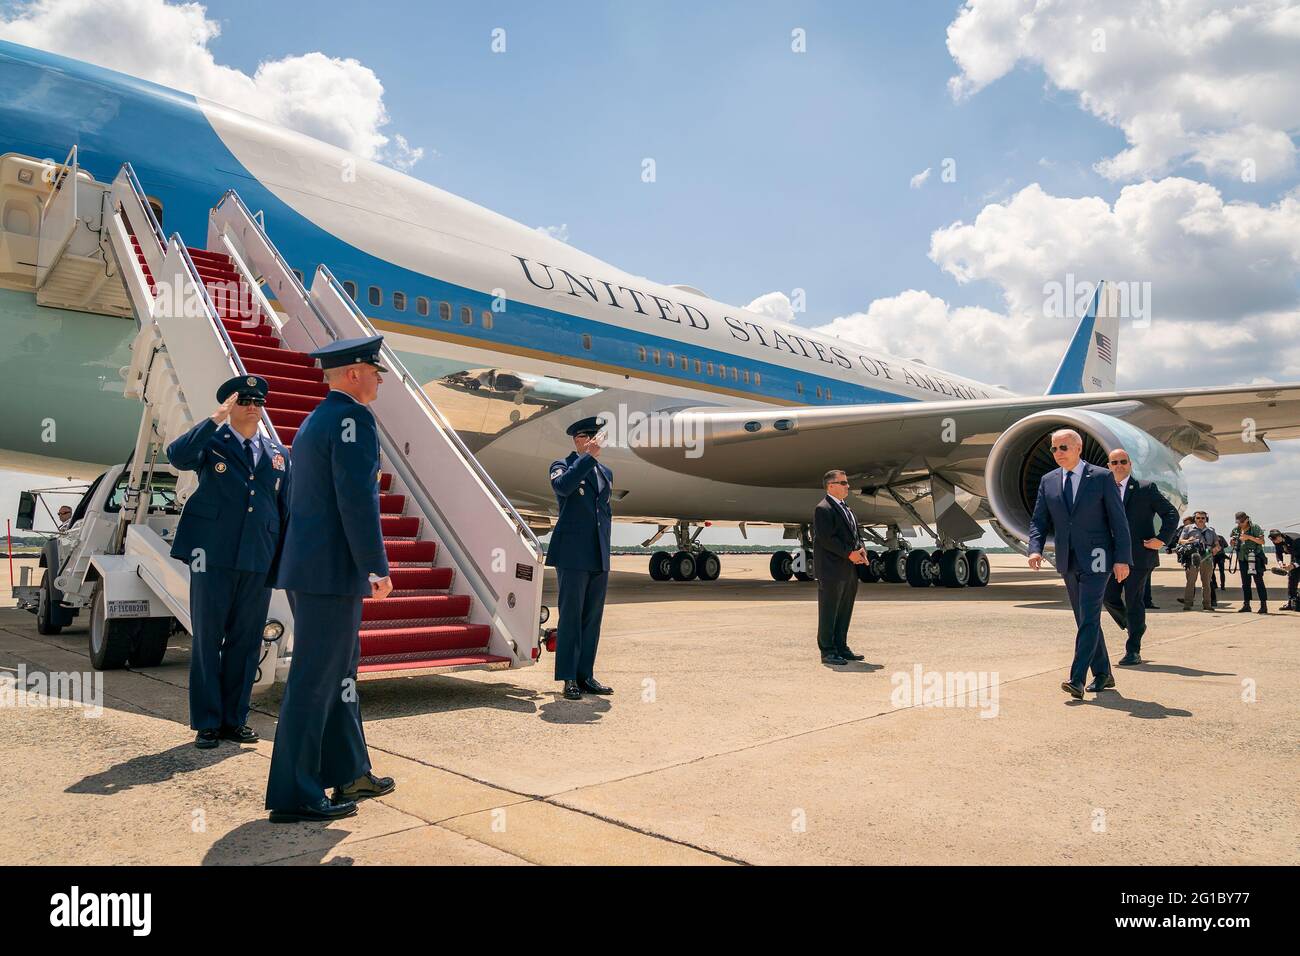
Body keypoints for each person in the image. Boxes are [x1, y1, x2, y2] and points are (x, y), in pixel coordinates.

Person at [265, 336, 396, 823]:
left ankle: (350, 770)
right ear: (354, 373)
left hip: (314, 569)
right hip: (331, 572)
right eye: (375, 370)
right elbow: (356, 500)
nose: (380, 379)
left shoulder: (317, 420)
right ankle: (295, 793)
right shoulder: (352, 419)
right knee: (315, 681)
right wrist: (375, 565)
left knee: (339, 676)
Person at [167, 375, 290, 750]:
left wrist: (280, 559)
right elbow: (178, 456)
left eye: (258, 400)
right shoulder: (212, 443)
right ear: (230, 405)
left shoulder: (277, 452)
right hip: (212, 557)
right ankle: (207, 722)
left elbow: (282, 508)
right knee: (208, 639)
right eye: (243, 400)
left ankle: (235, 719)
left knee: (246, 641)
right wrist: (214, 419)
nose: (252, 405)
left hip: (257, 556)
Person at [1027, 429, 1132, 699]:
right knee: (1085, 619)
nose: (1058, 453)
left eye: (1063, 448)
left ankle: (1077, 679)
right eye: (1054, 449)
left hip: (1098, 558)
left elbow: (1118, 521)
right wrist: (1034, 549)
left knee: (1088, 615)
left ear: (1078, 448)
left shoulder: (1101, 477)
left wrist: (1122, 558)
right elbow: (1039, 520)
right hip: (1067, 558)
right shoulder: (1048, 481)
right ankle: (1104, 673)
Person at [545, 416, 614, 701]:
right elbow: (563, 487)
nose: (595, 441)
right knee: (571, 617)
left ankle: (586, 675)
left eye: (597, 436)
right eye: (589, 436)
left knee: (592, 619)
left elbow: (603, 513)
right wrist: (586, 459)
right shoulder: (561, 466)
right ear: (578, 440)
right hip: (573, 554)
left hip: (598, 553)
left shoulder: (605, 472)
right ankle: (569, 678)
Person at [1101, 448, 1179, 665]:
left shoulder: (1146, 489)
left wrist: (1162, 539)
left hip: (1139, 555)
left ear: (1130, 464)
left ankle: (1133, 650)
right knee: (1108, 596)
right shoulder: (1102, 490)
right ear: (1108, 466)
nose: (1118, 466)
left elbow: (1171, 514)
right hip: (1110, 556)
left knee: (1134, 601)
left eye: (1123, 462)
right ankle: (1135, 625)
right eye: (1114, 462)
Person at [813, 469, 867, 665]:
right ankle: (827, 651)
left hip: (849, 569)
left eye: (847, 482)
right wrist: (848, 553)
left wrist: (861, 550)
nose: (847, 486)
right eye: (843, 483)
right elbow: (827, 540)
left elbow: (856, 535)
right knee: (829, 611)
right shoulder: (823, 509)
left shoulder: (848, 509)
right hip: (831, 570)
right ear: (831, 486)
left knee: (844, 610)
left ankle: (841, 647)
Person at [1176, 512, 1218, 612]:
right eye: (1198, 518)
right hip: (1193, 557)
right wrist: (1188, 540)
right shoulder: (1188, 528)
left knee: (1207, 583)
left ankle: (1207, 604)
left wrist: (1216, 548)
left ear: (1206, 519)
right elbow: (1180, 541)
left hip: (1207, 557)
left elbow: (1216, 543)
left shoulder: (1211, 531)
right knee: (1190, 582)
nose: (1200, 520)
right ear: (1195, 518)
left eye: (1203, 518)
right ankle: (1187, 604)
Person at [1231, 512, 1269, 614]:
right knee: (1245, 583)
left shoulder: (1255, 527)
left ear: (1247, 519)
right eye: (1238, 522)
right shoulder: (1236, 529)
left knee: (1258, 581)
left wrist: (1249, 537)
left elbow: (1262, 541)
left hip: (1255, 558)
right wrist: (1233, 542)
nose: (1240, 524)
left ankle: (1263, 605)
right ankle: (1246, 605)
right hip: (1242, 558)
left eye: (1242, 521)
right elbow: (1232, 541)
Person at [1268, 529, 1299, 612]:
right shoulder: (1276, 541)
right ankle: (1291, 603)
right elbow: (1278, 553)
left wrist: (1294, 565)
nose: (1275, 542)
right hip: (1296, 556)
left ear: (1279, 536)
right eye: (1273, 541)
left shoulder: (1295, 540)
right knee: (1292, 579)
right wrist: (1280, 563)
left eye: (1275, 540)